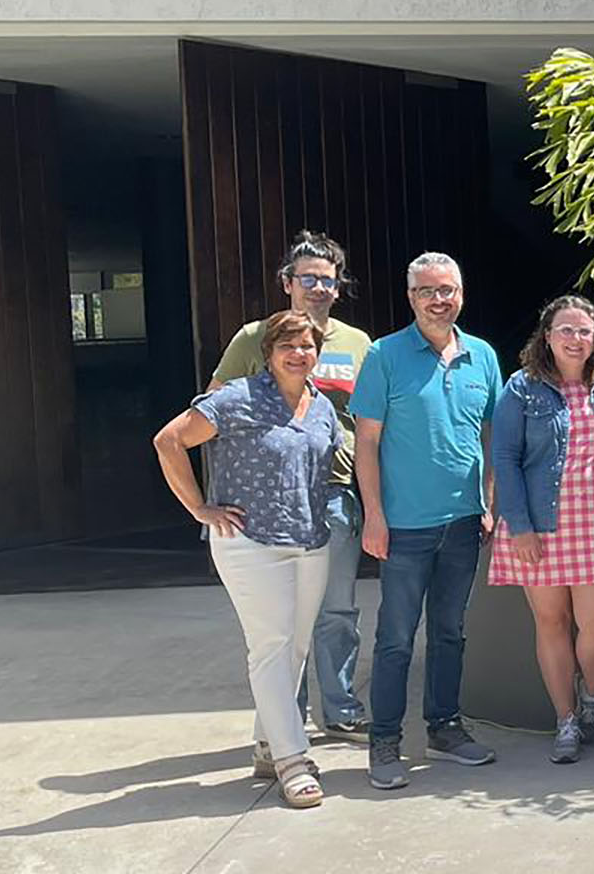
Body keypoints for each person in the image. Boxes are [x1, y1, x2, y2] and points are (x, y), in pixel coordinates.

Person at [155, 311, 339, 809]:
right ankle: (293, 760)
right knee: (271, 646)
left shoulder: (322, 408)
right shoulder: (236, 398)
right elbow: (169, 441)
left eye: (307, 346)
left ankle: (267, 742)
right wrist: (198, 506)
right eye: (289, 345)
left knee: (296, 647)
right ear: (269, 352)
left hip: (309, 538)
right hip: (250, 540)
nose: (299, 354)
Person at [205, 231, 375, 739]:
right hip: (271, 501)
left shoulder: (356, 343)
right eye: (309, 279)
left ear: (338, 288)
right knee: (280, 619)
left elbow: (370, 419)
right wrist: (212, 499)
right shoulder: (254, 337)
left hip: (335, 491)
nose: (319, 288)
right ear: (287, 283)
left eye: (328, 280)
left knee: (338, 608)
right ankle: (287, 716)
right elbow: (214, 405)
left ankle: (341, 708)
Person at [354, 252, 503, 789]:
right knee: (395, 638)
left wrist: (488, 499)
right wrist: (374, 516)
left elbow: (491, 435)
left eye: (447, 289)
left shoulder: (482, 355)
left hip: (463, 523)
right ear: (410, 298)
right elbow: (366, 442)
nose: (439, 300)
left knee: (450, 632)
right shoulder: (384, 355)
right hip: (403, 527)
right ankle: (385, 742)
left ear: (461, 293)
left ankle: (444, 728)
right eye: (426, 291)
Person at [488, 295, 594, 764]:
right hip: (540, 524)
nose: (575, 339)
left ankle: (590, 698)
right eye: (565, 330)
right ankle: (566, 720)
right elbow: (505, 459)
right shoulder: (521, 388)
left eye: (584, 331)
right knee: (551, 622)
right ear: (547, 336)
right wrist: (520, 526)